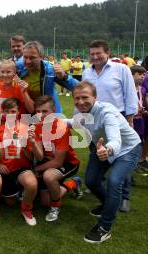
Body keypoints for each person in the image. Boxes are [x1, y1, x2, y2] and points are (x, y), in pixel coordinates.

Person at [70, 81, 141, 243]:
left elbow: (115, 140)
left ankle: (105, 227)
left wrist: (106, 149)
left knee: (114, 181)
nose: (81, 102)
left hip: (128, 148)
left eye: (85, 97)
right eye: (77, 98)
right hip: (102, 148)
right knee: (91, 180)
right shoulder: (79, 110)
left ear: (95, 97)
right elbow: (74, 123)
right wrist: (55, 121)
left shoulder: (107, 111)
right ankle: (107, 204)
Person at [0, 98, 43, 226]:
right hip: (6, 170)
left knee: (32, 184)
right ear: (2, 113)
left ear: (18, 112)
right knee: (10, 203)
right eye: (7, 111)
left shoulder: (26, 129)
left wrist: (25, 144)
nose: (10, 115)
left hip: (21, 169)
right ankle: (18, 193)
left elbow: (32, 159)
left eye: (13, 111)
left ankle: (26, 210)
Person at [33, 96, 80, 222]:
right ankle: (72, 184)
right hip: (48, 161)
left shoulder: (62, 128)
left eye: (45, 111)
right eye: (38, 111)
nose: (41, 115)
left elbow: (58, 162)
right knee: (44, 202)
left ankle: (55, 208)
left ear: (53, 111)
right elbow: (40, 157)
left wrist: (37, 168)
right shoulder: (37, 127)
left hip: (68, 162)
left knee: (49, 176)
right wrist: (32, 142)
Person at [19, 41, 78, 113]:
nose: (28, 61)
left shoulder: (50, 70)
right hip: (30, 113)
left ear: (41, 57)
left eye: (32, 58)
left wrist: (64, 76)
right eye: (25, 57)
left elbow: (78, 87)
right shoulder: (19, 68)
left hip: (50, 114)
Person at [130, 65, 148, 175]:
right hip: (131, 119)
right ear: (131, 75)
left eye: (144, 74)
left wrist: (143, 110)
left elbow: (142, 102)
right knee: (131, 143)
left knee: (139, 141)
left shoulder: (142, 89)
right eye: (140, 74)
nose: (143, 77)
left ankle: (136, 163)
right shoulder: (127, 88)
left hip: (140, 119)